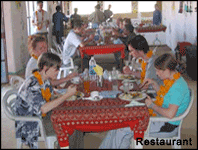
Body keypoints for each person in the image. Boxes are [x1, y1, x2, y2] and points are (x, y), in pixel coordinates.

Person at [99, 53, 190, 149]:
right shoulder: (172, 80)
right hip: (161, 118)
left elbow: (170, 114)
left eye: (158, 71)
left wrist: (152, 105)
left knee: (123, 129)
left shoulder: (178, 87)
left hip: (167, 125)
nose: (156, 73)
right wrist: (154, 84)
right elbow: (166, 97)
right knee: (119, 122)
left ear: (167, 70)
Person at [12, 52, 77, 149]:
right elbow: (43, 109)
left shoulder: (43, 79)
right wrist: (67, 95)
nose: (58, 71)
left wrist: (62, 95)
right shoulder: (33, 84)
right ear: (46, 67)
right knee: (69, 123)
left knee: (72, 117)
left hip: (40, 116)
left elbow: (49, 96)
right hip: (31, 123)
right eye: (56, 68)